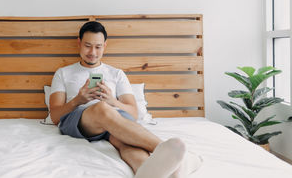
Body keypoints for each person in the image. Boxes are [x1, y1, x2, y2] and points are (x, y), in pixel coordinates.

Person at [49, 21, 201, 178]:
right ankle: (176, 153)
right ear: (79, 43)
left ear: (105, 46)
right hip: (81, 120)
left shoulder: (116, 74)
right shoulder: (63, 73)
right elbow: (54, 116)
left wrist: (112, 101)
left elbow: (133, 113)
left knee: (126, 142)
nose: (92, 52)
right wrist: (78, 100)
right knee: (101, 108)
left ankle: (147, 173)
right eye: (88, 45)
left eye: (98, 47)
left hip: (116, 118)